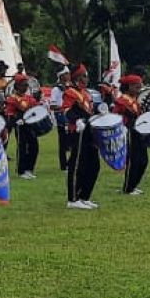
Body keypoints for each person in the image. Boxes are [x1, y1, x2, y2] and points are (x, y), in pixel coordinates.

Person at [62, 64, 99, 208]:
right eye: (84, 75)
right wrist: (76, 120)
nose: (86, 78)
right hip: (77, 131)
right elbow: (65, 110)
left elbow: (90, 111)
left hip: (89, 131)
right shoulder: (70, 92)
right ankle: (73, 199)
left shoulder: (86, 93)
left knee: (93, 165)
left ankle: (85, 196)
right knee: (77, 165)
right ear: (77, 77)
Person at [112, 74, 147, 194]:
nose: (139, 87)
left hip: (138, 132)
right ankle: (128, 187)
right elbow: (116, 117)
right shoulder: (122, 101)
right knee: (133, 160)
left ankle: (133, 184)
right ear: (128, 86)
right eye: (135, 85)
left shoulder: (135, 101)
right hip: (129, 133)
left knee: (143, 160)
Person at [4, 73, 40, 180]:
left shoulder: (29, 98)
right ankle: (21, 171)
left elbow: (35, 109)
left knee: (34, 146)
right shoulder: (12, 99)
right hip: (20, 126)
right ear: (17, 86)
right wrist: (16, 120)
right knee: (22, 148)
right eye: (24, 85)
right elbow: (9, 114)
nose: (26, 87)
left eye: (26, 85)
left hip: (30, 125)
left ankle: (29, 169)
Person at [49, 65, 72, 170]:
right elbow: (52, 105)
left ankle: (70, 162)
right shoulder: (56, 89)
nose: (69, 76)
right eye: (66, 74)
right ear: (61, 76)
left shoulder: (70, 88)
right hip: (61, 116)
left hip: (70, 116)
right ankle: (63, 165)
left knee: (71, 141)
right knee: (62, 142)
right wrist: (64, 107)